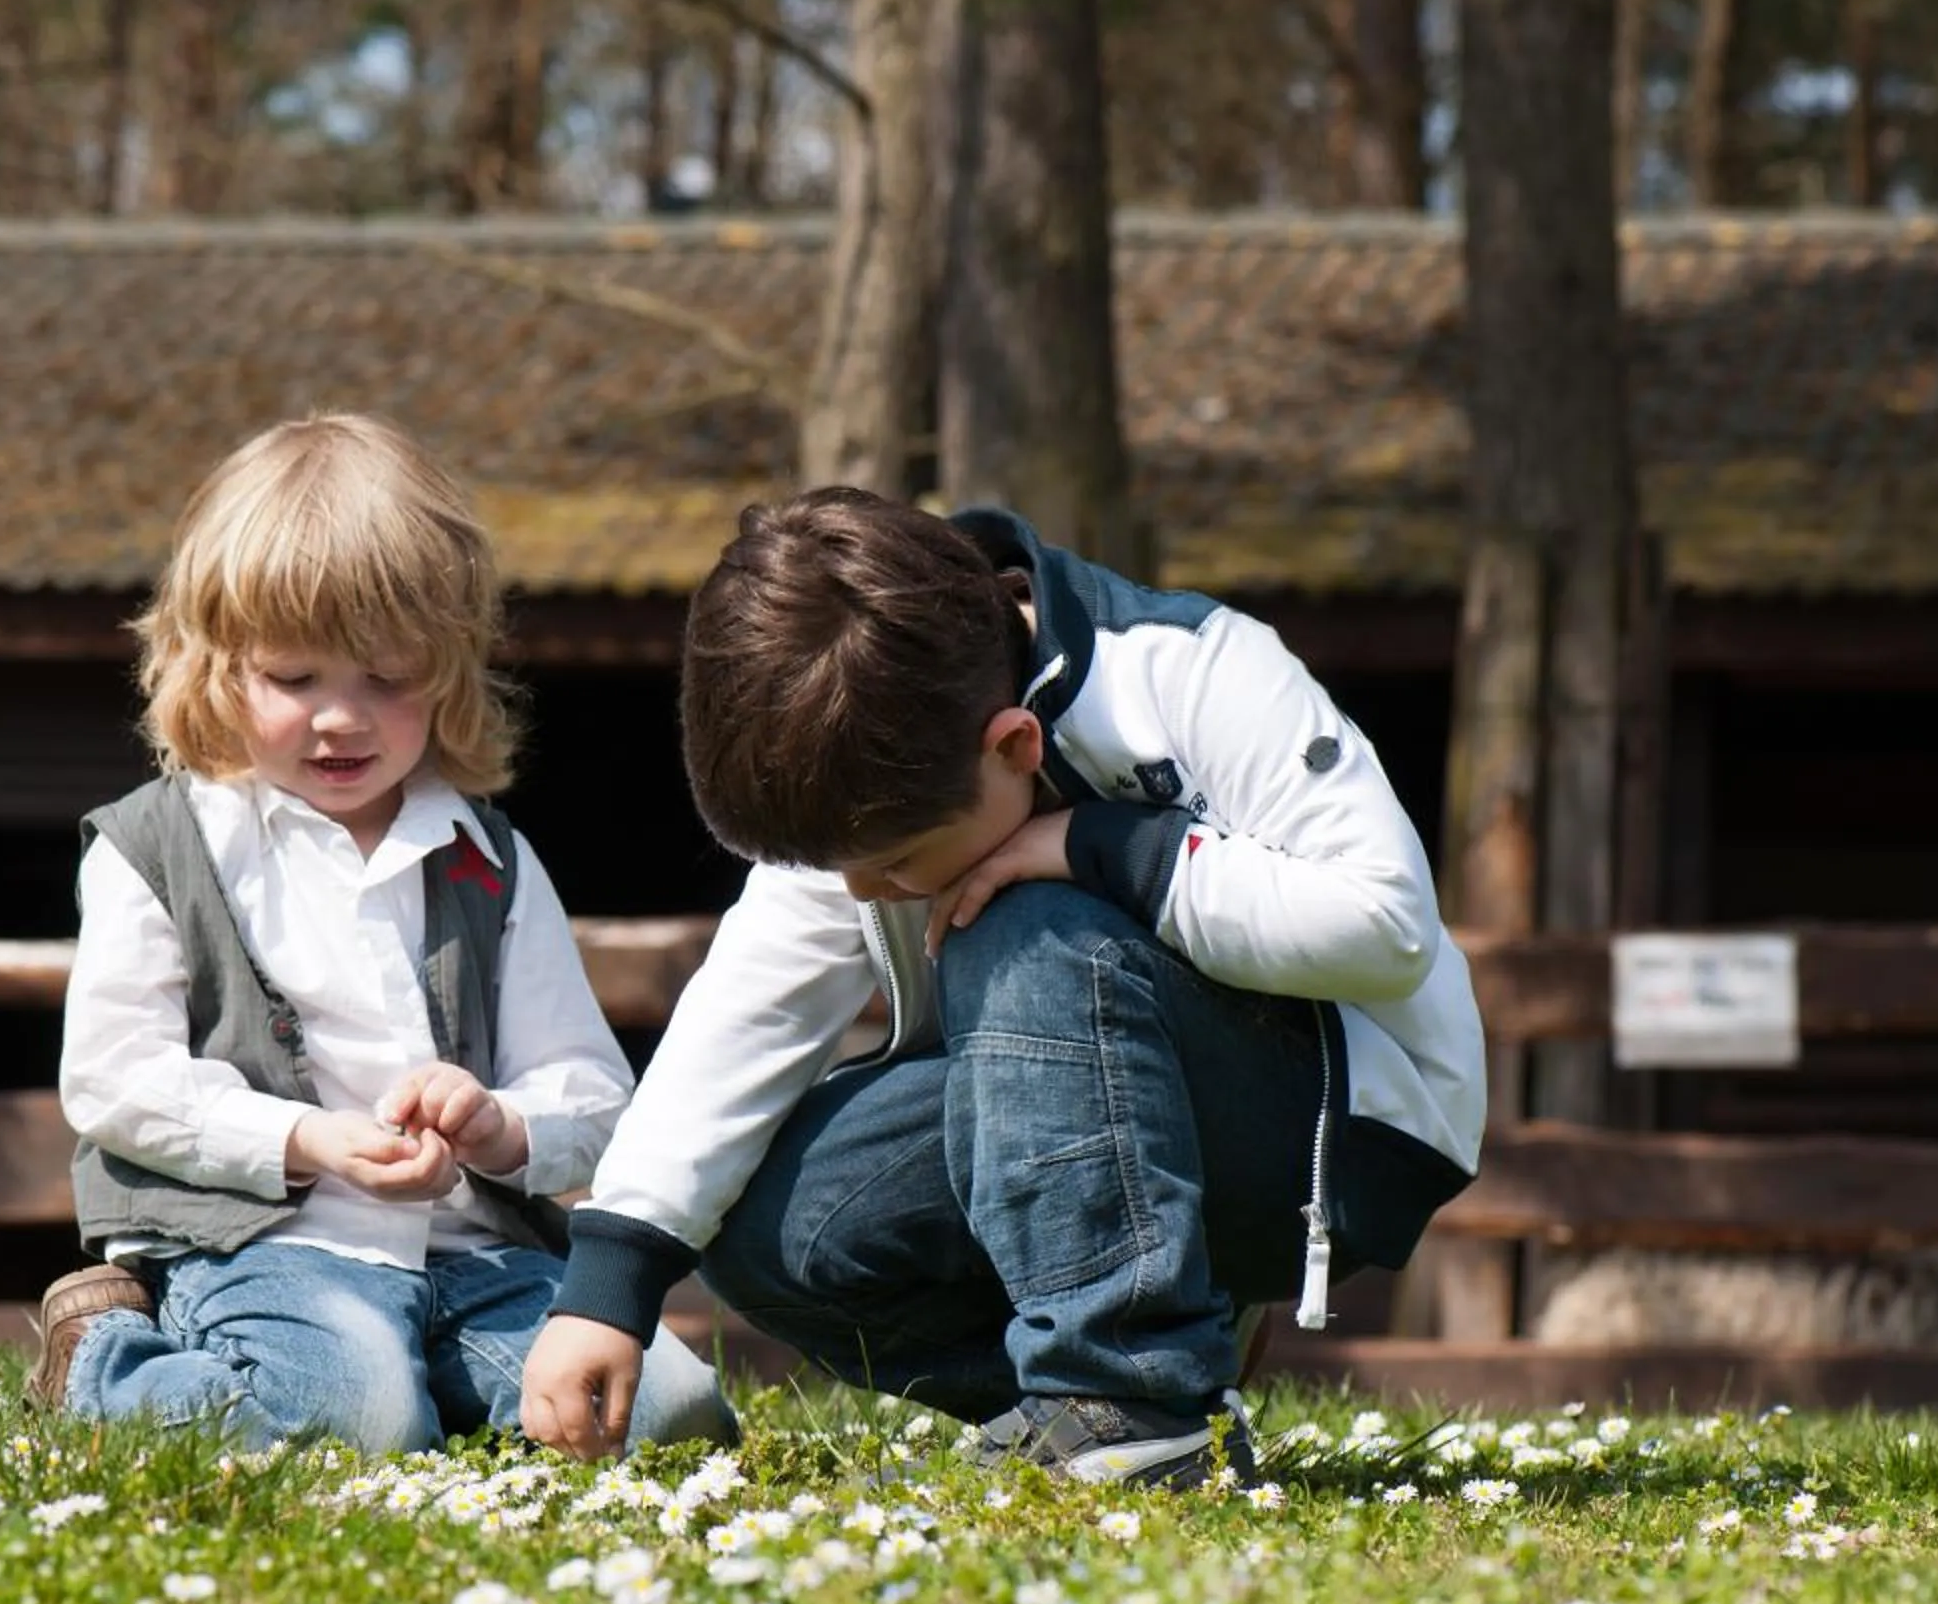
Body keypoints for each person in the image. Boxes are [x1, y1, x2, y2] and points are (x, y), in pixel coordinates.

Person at [516, 491, 1484, 1486]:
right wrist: (612, 1274)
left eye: (892, 863)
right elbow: (744, 1015)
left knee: (1015, 922)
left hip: (1337, 1139)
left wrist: (1094, 845)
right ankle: (1155, 1371)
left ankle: (1127, 1396)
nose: (864, 893)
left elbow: (1385, 924)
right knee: (772, 1225)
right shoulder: (875, 754)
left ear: (1015, 745)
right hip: (1072, 1129)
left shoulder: (1197, 667)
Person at [28, 412, 732, 1455]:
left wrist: (498, 1122)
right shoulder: (158, 846)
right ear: (218, 668)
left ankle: (425, 1392)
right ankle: (103, 1364)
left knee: (665, 1412)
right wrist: (305, 1138)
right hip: (266, 1245)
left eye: (385, 678)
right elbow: (114, 1078)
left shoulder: (488, 859)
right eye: (294, 678)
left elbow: (588, 1088)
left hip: (477, 1254)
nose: (341, 718)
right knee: (356, 1421)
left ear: (448, 669)